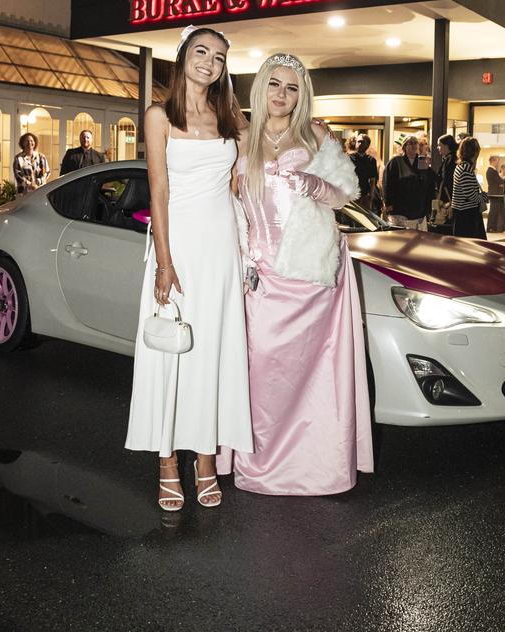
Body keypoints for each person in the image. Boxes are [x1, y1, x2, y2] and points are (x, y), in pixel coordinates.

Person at [220, 53, 373, 496]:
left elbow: (345, 195)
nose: (282, 95)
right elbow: (227, 203)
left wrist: (315, 185)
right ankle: (261, 463)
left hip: (309, 275)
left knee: (314, 375)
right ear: (262, 87)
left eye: (291, 87)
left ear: (302, 93)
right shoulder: (241, 139)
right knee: (263, 373)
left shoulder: (317, 134)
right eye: (274, 85)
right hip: (261, 275)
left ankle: (316, 466)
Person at [126, 25, 253, 510]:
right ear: (182, 58)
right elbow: (158, 192)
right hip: (176, 250)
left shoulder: (230, 118)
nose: (210, 62)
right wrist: (163, 262)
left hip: (221, 250)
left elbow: (261, 158)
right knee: (170, 354)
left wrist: (317, 132)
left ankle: (204, 459)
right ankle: (164, 461)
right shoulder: (158, 115)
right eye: (201, 51)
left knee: (213, 356)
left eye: (219, 57)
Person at [383, 134, 435, 230]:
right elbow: (387, 183)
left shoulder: (421, 162)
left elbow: (430, 182)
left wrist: (427, 167)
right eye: (410, 143)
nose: (413, 145)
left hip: (418, 209)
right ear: (405, 146)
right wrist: (388, 202)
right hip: (400, 208)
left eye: (415, 143)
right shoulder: (396, 162)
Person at [452, 136, 487, 239]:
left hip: (461, 213)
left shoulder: (460, 166)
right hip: (467, 214)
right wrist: (484, 197)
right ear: (475, 152)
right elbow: (470, 195)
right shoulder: (466, 169)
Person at [350, 133, 378, 211]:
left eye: (362, 142)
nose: (359, 144)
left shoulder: (371, 160)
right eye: (358, 142)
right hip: (352, 194)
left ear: (367, 144)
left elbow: (373, 179)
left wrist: (371, 195)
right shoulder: (349, 158)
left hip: (365, 194)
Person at [486, 155, 505, 233]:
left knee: (495, 210)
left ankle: (494, 227)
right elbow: (499, 181)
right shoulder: (491, 170)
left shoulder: (492, 170)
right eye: (496, 161)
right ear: (493, 161)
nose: (497, 163)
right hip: (494, 193)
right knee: (493, 211)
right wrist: (504, 182)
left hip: (495, 193)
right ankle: (490, 227)